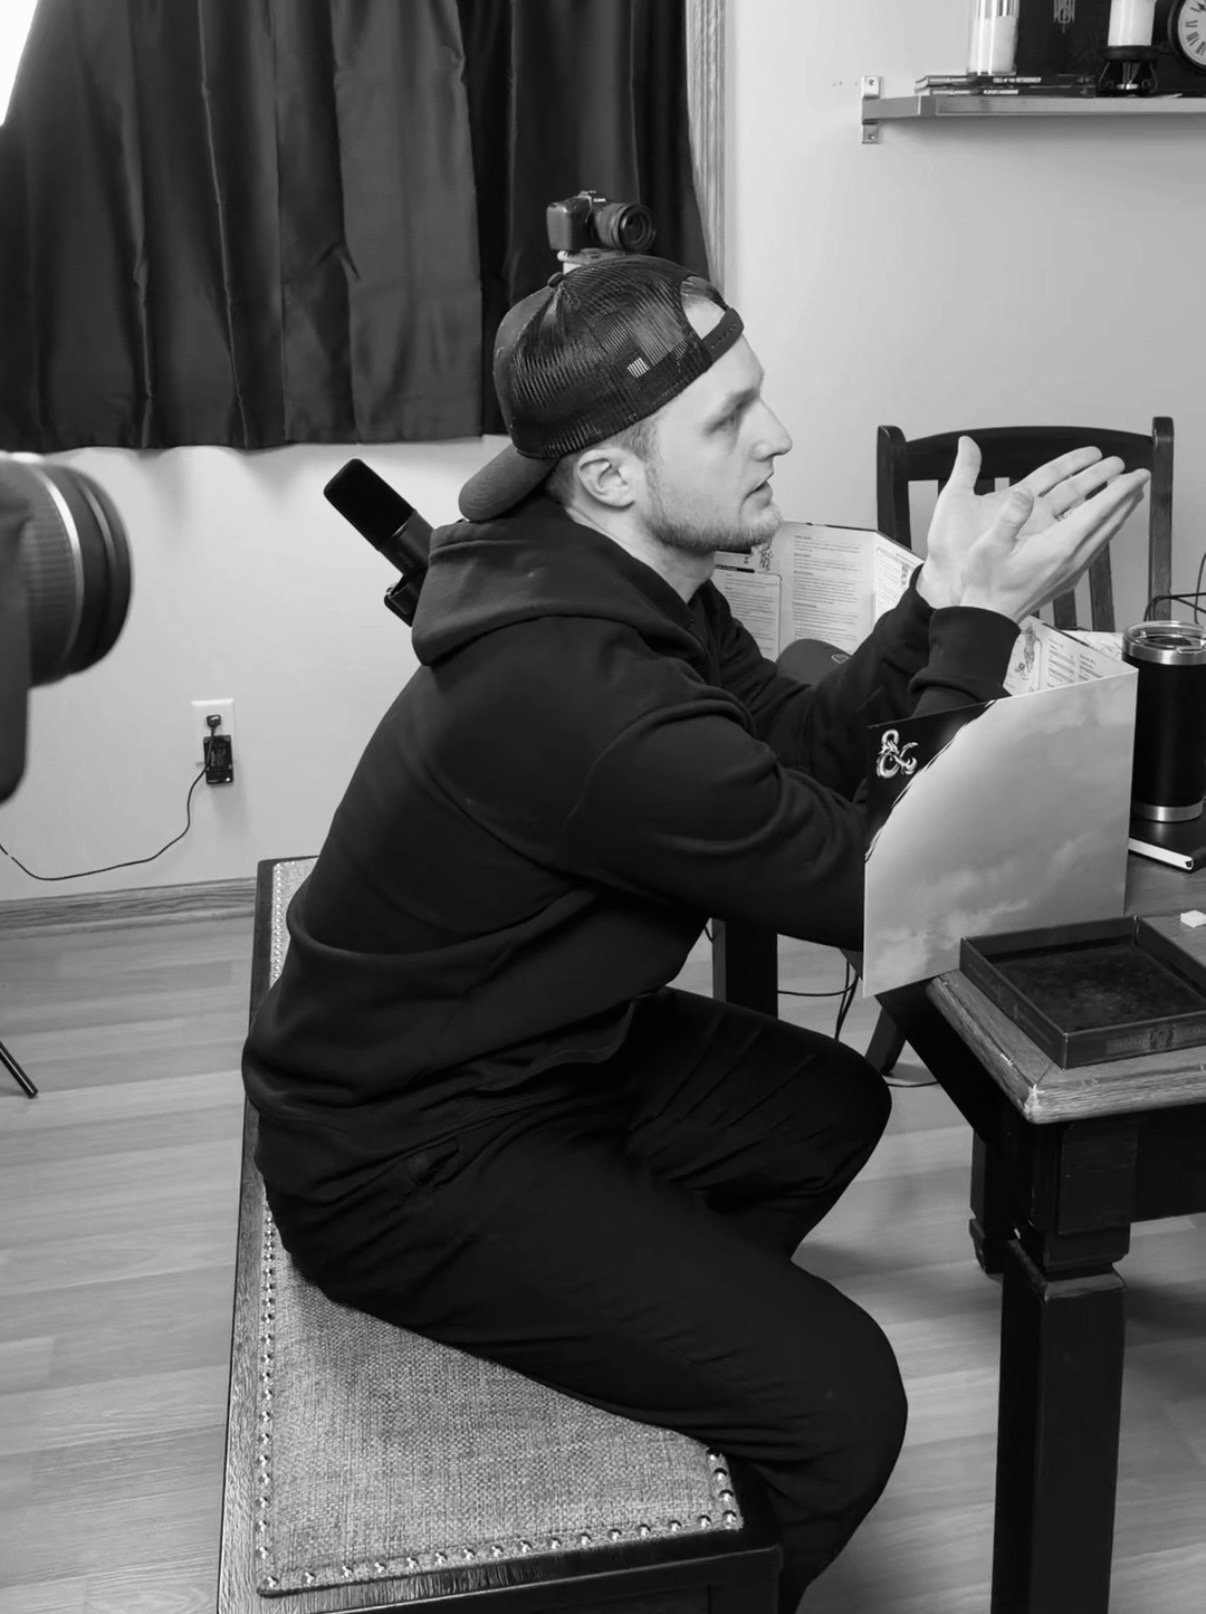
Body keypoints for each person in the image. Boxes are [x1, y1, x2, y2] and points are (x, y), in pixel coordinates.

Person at [242, 254, 1149, 1611]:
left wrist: (926, 611)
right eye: (728, 420)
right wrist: (974, 614)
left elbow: (789, 746)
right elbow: (882, 883)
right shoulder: (588, 701)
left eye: (756, 397)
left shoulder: (609, 572)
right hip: (397, 1156)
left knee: (823, 1107)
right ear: (608, 470)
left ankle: (654, 1346)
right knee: (844, 1403)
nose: (776, 433)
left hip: (521, 1057)